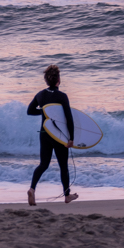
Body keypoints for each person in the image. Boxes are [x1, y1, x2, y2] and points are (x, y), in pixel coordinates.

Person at [27, 64, 78, 206]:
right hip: (59, 136)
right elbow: (69, 118)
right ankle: (67, 196)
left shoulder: (40, 95)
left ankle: (32, 189)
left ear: (46, 80)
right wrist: (71, 138)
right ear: (58, 80)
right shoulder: (62, 96)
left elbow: (30, 111)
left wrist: (44, 111)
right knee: (63, 166)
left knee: (43, 164)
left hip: (44, 133)